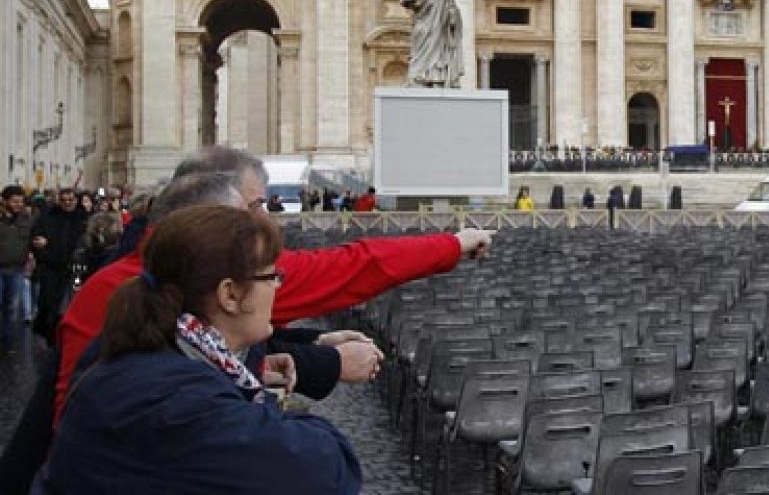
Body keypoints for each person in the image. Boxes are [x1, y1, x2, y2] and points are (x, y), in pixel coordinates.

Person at [51, 146, 492, 427]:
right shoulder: (217, 275)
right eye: (254, 205)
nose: (265, 219)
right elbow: (349, 267)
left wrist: (306, 346)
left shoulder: (126, 283)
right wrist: (453, 244)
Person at [37, 204, 362, 493]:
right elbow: (329, 469)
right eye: (272, 277)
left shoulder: (145, 354)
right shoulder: (179, 402)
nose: (278, 288)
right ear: (230, 295)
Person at [31, 188, 87, 340]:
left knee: (70, 304)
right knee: (48, 302)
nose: (67, 203)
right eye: (64, 200)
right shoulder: (48, 217)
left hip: (74, 270)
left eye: (71, 200)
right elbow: (36, 236)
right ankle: (49, 333)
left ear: (76, 200)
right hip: (51, 267)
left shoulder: (83, 217)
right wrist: (40, 247)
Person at [0, 185, 31, 350]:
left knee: (12, 307)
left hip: (17, 269)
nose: (18, 205)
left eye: (21, 201)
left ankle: (7, 342)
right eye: (14, 201)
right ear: (4, 202)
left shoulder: (26, 219)